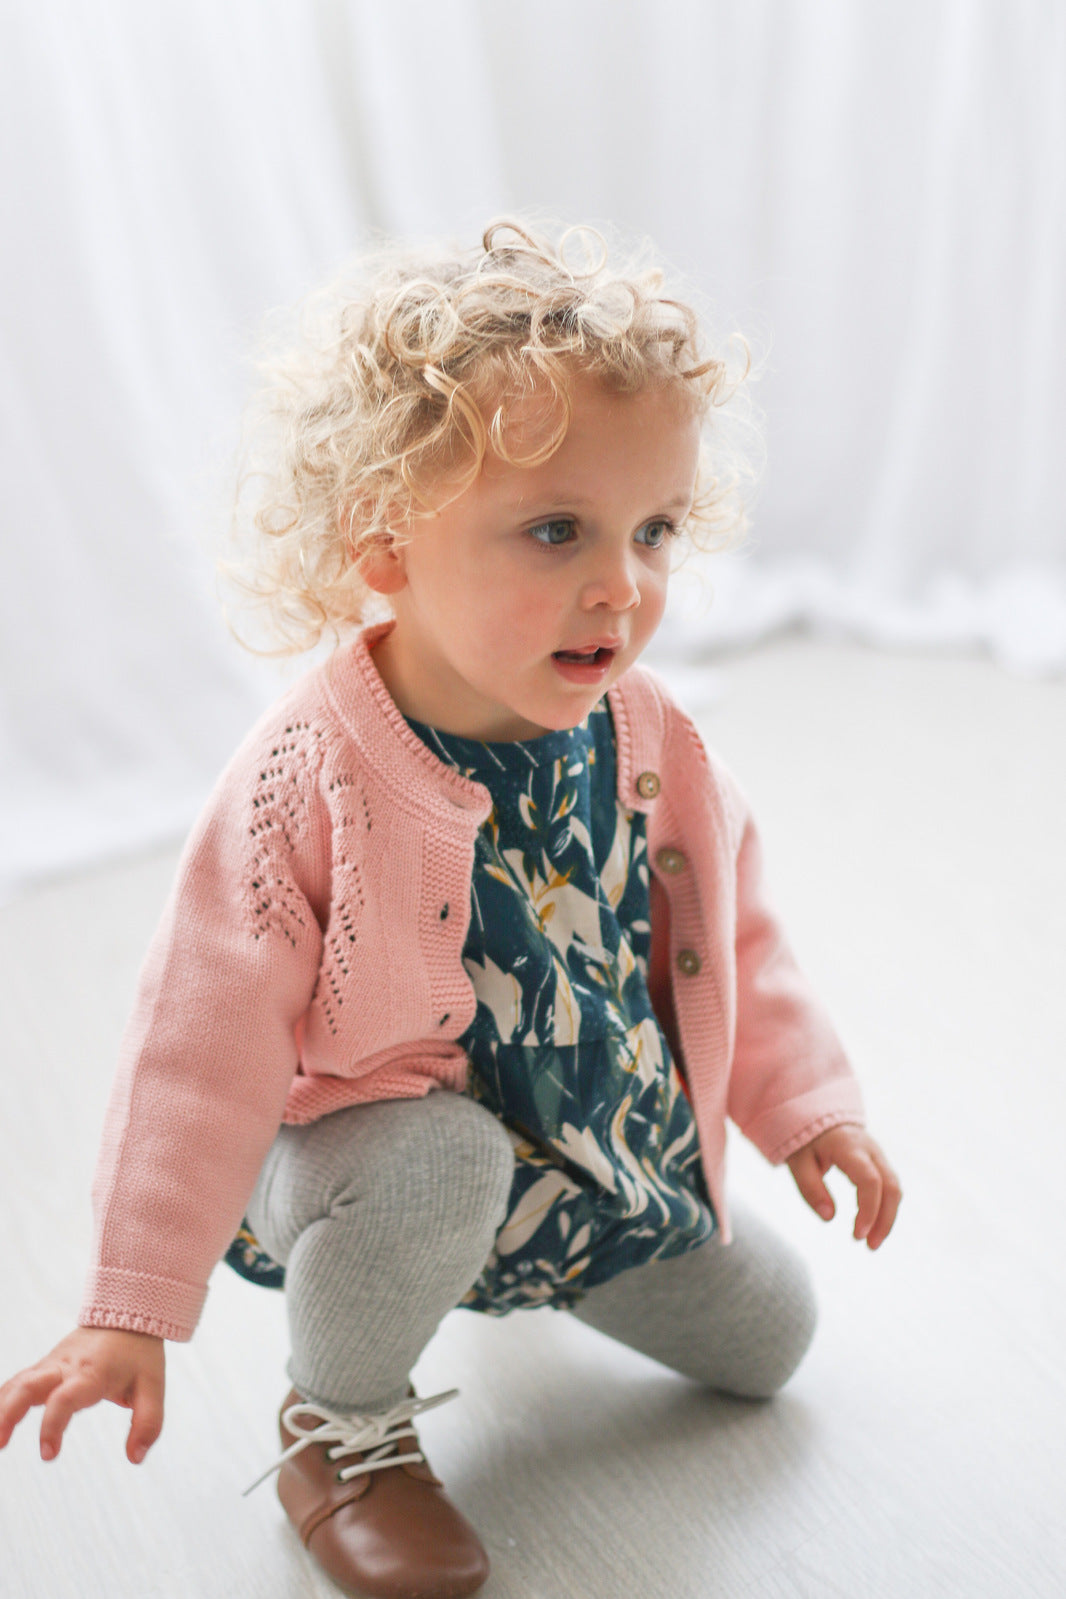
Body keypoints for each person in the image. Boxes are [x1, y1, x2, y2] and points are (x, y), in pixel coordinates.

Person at [0, 220, 900, 1599]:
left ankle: (528, 1266)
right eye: (556, 532)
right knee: (437, 1171)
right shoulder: (309, 778)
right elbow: (196, 1045)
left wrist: (806, 1106)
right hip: (356, 1153)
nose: (624, 584)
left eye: (650, 529)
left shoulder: (646, 732)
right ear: (382, 544)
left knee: (767, 1345)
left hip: (583, 1145)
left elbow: (731, 940)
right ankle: (338, 1430)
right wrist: (133, 1306)